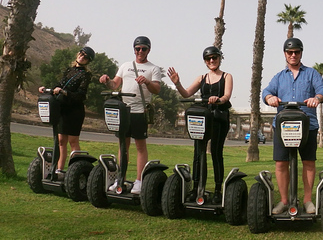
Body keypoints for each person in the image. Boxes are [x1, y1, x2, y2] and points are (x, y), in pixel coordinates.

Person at [262, 37, 323, 215]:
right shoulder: (279, 77)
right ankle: (284, 201)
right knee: (281, 163)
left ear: (301, 53)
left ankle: (307, 200)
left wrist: (317, 98)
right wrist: (270, 98)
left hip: (308, 125)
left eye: (296, 52)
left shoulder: (311, 73)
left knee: (308, 162)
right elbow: (266, 91)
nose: (293, 55)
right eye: (290, 52)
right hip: (283, 126)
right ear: (285, 54)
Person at [168, 46, 233, 200]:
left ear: (219, 58)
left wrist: (218, 100)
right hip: (203, 118)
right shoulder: (202, 78)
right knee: (199, 153)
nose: (212, 60)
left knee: (216, 153)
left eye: (214, 57)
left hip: (219, 117)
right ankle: (197, 188)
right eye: (208, 58)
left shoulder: (227, 76)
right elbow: (186, 94)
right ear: (205, 61)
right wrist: (177, 83)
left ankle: (218, 190)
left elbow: (227, 96)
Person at [99, 36, 162, 194]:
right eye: (137, 48)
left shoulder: (153, 68)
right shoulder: (126, 66)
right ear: (134, 49)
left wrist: (147, 82)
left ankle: (139, 181)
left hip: (140, 111)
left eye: (144, 49)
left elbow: (157, 89)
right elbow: (115, 84)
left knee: (140, 146)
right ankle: (121, 178)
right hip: (124, 110)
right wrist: (106, 81)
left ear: (149, 50)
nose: (140, 51)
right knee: (123, 145)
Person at [38, 46, 95, 176]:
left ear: (88, 61)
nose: (82, 56)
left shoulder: (85, 75)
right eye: (81, 53)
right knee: (61, 141)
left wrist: (65, 92)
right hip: (63, 109)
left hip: (74, 111)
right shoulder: (69, 70)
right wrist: (46, 89)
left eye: (86, 57)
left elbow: (81, 95)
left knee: (73, 141)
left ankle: (76, 171)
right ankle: (59, 170)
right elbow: (59, 84)